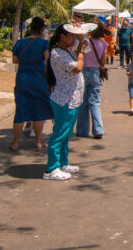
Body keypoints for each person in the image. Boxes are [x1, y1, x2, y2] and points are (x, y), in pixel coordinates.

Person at [43, 24, 87, 180]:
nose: (73, 39)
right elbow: (78, 67)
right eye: (71, 35)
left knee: (66, 133)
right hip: (65, 99)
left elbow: (78, 51)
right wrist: (81, 51)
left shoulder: (65, 50)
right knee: (60, 133)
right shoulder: (58, 53)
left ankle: (63, 162)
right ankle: (51, 168)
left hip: (71, 98)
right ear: (62, 36)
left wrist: (80, 40)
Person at [10, 17, 53, 151]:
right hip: (39, 79)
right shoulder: (44, 43)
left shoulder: (20, 42)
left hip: (22, 78)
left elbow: (15, 60)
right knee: (38, 111)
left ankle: (15, 143)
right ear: (42, 29)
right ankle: (38, 141)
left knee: (20, 110)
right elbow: (48, 60)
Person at [75, 24, 107, 139]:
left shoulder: (84, 42)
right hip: (95, 73)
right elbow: (103, 62)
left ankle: (82, 130)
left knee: (82, 103)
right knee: (95, 102)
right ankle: (98, 129)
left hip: (83, 72)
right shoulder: (104, 44)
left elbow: (78, 55)